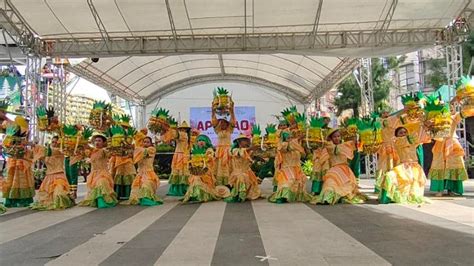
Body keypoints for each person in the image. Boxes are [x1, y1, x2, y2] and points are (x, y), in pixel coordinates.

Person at [312, 129, 366, 205]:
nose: (337, 138)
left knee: (346, 189)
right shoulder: (330, 146)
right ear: (331, 138)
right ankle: (327, 199)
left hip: (345, 171)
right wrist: (350, 142)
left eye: (338, 136)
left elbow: (356, 146)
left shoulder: (345, 145)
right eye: (334, 137)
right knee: (329, 185)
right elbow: (337, 149)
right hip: (334, 171)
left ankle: (339, 197)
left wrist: (356, 138)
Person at [379, 126, 429, 204]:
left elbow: (421, 136)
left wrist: (425, 127)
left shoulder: (412, 140)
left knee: (413, 184)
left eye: (405, 132)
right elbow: (412, 138)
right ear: (397, 135)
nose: (403, 134)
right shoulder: (397, 142)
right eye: (401, 133)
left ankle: (408, 196)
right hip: (403, 166)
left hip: (415, 167)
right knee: (389, 176)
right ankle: (388, 197)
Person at [429, 111, 468, 196]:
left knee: (452, 165)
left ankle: (452, 189)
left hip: (452, 143)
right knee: (440, 166)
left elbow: (463, 113)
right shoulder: (435, 118)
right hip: (440, 143)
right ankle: (440, 189)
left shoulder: (454, 117)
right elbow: (431, 132)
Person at [30, 136, 74, 210]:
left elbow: (47, 151)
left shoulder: (60, 151)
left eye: (56, 142)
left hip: (59, 175)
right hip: (48, 177)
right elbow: (35, 155)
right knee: (48, 197)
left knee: (59, 193)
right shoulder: (46, 153)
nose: (54, 144)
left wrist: (34, 145)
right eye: (53, 142)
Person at [268, 132, 313, 203]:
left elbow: (303, 154)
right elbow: (284, 148)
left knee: (300, 181)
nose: (290, 139)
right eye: (288, 137)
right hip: (286, 168)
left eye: (291, 137)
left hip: (297, 168)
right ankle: (282, 196)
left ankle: (291, 196)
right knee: (288, 181)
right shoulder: (284, 145)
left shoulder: (296, 145)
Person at [3, 118, 35, 207]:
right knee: (14, 181)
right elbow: (8, 145)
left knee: (17, 181)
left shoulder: (22, 135)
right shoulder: (14, 134)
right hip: (16, 161)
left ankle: (20, 199)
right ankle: (14, 199)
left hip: (20, 161)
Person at [79, 134, 118, 208]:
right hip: (93, 173)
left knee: (101, 183)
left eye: (99, 141)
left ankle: (103, 202)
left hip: (103, 173)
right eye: (96, 141)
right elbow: (84, 146)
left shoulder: (104, 151)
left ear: (103, 143)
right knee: (95, 187)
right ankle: (97, 201)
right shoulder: (91, 151)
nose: (97, 142)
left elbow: (110, 152)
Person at [125, 136, 162, 206]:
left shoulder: (152, 149)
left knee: (146, 186)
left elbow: (144, 152)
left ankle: (146, 199)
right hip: (140, 174)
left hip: (149, 173)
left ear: (151, 143)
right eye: (144, 142)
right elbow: (132, 155)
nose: (145, 143)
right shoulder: (139, 151)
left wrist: (133, 148)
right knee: (135, 189)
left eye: (148, 142)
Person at [183, 135, 220, 203]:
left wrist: (202, 158)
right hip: (197, 170)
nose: (201, 142)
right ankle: (194, 195)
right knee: (195, 178)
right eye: (199, 141)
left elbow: (210, 157)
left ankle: (203, 196)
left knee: (202, 179)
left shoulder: (209, 149)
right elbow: (192, 159)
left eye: (202, 140)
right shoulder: (195, 149)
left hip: (206, 170)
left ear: (206, 142)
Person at [225, 134, 261, 202]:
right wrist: (251, 148)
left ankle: (247, 194)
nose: (246, 142)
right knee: (241, 177)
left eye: (246, 140)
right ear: (239, 142)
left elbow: (253, 156)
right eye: (243, 140)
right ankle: (239, 195)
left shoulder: (249, 151)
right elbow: (241, 153)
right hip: (238, 172)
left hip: (247, 171)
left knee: (249, 180)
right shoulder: (234, 150)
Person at [212, 101, 235, 186]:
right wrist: (213, 110)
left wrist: (232, 110)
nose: (222, 124)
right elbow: (213, 121)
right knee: (219, 167)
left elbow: (233, 121)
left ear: (227, 124)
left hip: (228, 151)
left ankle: (230, 183)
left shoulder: (230, 130)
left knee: (228, 166)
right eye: (221, 123)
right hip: (220, 151)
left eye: (224, 122)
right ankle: (220, 184)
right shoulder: (218, 131)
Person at [375, 110, 398, 193]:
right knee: (383, 165)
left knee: (393, 164)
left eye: (387, 112)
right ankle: (380, 186)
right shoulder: (379, 122)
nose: (386, 114)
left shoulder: (393, 120)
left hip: (393, 145)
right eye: (383, 112)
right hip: (384, 146)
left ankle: (393, 185)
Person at [167, 121, 191, 196]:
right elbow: (175, 136)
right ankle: (180, 189)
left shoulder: (184, 134)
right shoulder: (183, 134)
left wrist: (172, 128)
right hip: (181, 155)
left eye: (184, 128)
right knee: (180, 171)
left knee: (181, 171)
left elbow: (175, 136)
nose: (183, 130)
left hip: (181, 155)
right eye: (182, 128)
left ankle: (180, 189)